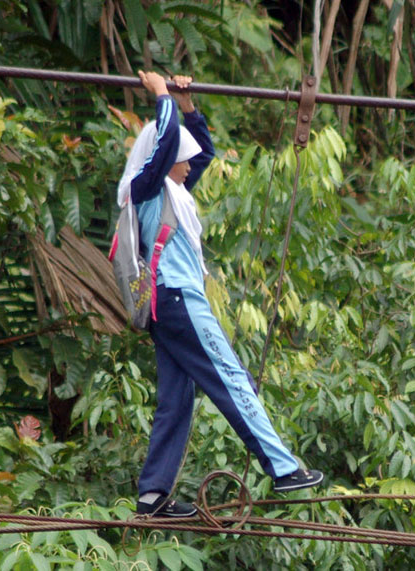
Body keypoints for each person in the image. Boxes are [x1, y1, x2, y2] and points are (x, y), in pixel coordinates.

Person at [116, 70, 324, 518]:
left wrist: (187, 104)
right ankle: (283, 467)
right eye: (180, 158)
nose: (189, 164)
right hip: (176, 300)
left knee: (176, 400)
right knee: (231, 376)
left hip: (165, 307)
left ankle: (152, 496)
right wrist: (160, 95)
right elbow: (169, 136)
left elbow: (202, 151)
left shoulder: (170, 191)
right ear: (161, 157)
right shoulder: (145, 189)